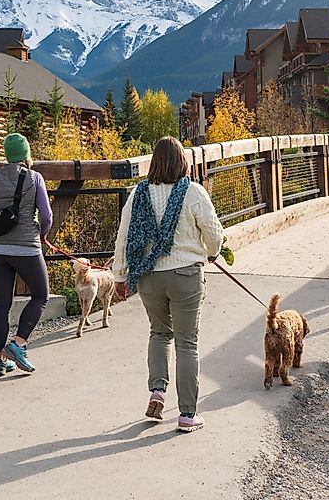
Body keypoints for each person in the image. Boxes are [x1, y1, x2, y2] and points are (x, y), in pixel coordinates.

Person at [112, 136, 223, 433]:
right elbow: (213, 232)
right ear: (182, 161)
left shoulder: (138, 195)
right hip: (186, 276)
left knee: (159, 333)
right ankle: (187, 415)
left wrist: (120, 276)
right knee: (187, 343)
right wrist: (213, 253)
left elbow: (124, 237)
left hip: (149, 277)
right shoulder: (194, 192)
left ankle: (157, 391)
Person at [0, 132, 52, 378]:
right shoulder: (35, 178)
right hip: (26, 247)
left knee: (3, 303)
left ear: (7, 156)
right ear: (27, 154)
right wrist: (42, 234)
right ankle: (18, 344)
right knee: (41, 295)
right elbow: (47, 215)